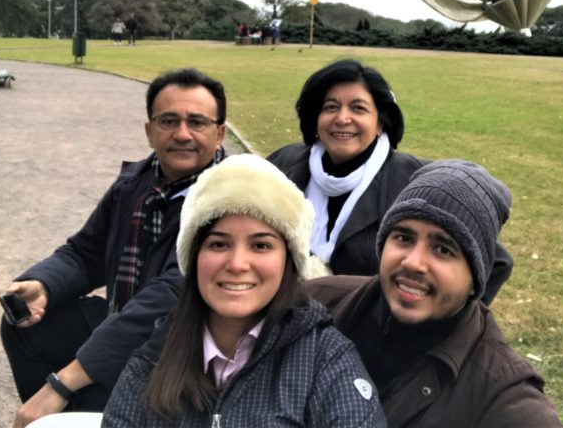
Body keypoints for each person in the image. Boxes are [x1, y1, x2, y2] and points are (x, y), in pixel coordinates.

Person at [0, 68, 228, 427]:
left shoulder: (228, 200)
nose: (182, 134)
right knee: (25, 323)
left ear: (219, 135)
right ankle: (59, 418)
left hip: (186, 349)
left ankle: (79, 410)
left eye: (196, 122)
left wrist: (63, 382)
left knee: (90, 387)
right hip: (124, 316)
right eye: (168, 120)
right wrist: (43, 284)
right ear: (149, 131)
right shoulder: (134, 184)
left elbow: (169, 297)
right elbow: (86, 251)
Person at [102, 154, 386, 427]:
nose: (237, 264)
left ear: (289, 260)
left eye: (261, 245)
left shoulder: (326, 361)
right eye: (218, 244)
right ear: (194, 256)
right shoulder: (154, 356)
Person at [307, 160, 563, 427]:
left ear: (475, 280)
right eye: (404, 238)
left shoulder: (498, 393)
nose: (413, 263)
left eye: (443, 249)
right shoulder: (315, 303)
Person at [268, 59, 513, 304]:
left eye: (358, 108)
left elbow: (496, 262)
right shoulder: (284, 163)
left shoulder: (418, 181)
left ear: (380, 123)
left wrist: (445, 323)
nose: (342, 118)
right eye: (331, 107)